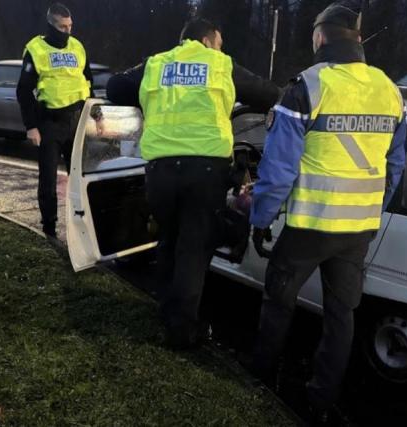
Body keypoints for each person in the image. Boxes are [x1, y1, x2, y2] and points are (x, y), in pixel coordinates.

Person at [248, 3, 406, 422]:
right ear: (357, 39)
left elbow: (279, 168)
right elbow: (396, 165)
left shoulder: (306, 86)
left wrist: (261, 218)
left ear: (320, 37)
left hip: (309, 226)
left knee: (278, 300)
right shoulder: (389, 89)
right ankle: (320, 399)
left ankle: (260, 379)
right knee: (341, 315)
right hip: (357, 230)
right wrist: (372, 208)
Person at [106, 18, 279, 350]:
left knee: (169, 241)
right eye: (219, 42)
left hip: (160, 171)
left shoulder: (155, 64)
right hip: (205, 172)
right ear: (207, 40)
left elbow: (115, 88)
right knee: (194, 250)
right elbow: (270, 93)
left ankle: (167, 313)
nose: (221, 48)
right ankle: (182, 332)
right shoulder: (220, 64)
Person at [16, 2, 95, 238]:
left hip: (77, 121)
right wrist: (31, 126)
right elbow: (23, 91)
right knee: (48, 178)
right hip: (50, 123)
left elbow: (89, 83)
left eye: (70, 26)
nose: (67, 31)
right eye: (62, 27)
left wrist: (96, 116)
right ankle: (49, 227)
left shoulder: (77, 47)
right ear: (51, 26)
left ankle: (82, 223)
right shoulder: (36, 49)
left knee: (81, 176)